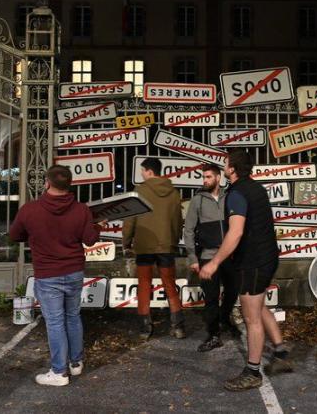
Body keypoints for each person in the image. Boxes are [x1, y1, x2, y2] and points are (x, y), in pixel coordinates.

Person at [200, 149, 292, 391]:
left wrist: (214, 262)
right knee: (259, 306)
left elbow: (236, 232)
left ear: (232, 169)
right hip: (268, 258)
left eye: (225, 164)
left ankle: (253, 372)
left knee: (251, 319)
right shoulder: (256, 188)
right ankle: (281, 353)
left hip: (253, 262)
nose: (224, 167)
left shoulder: (237, 193)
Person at [9, 165, 105, 386]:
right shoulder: (82, 210)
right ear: (69, 184)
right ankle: (76, 363)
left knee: (55, 322)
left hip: (47, 273)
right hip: (74, 271)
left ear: (47, 183)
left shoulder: (29, 210)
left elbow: (15, 235)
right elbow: (90, 239)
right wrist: (98, 227)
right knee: (72, 316)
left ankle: (59, 372)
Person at [123, 157, 185, 340]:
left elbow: (130, 219)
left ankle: (145, 328)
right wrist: (172, 241)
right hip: (166, 245)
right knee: (169, 284)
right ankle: (178, 326)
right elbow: (177, 221)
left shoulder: (140, 191)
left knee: (144, 285)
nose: (141, 174)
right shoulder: (174, 192)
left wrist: (126, 242)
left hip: (144, 246)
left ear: (149, 171)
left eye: (142, 171)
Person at [184, 163, 240, 352]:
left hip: (230, 256)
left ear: (218, 178)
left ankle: (224, 318)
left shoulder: (230, 196)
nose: (205, 180)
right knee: (210, 298)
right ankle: (214, 334)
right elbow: (189, 230)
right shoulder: (197, 200)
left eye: (209, 177)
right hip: (207, 256)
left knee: (233, 291)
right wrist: (192, 257)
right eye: (204, 177)